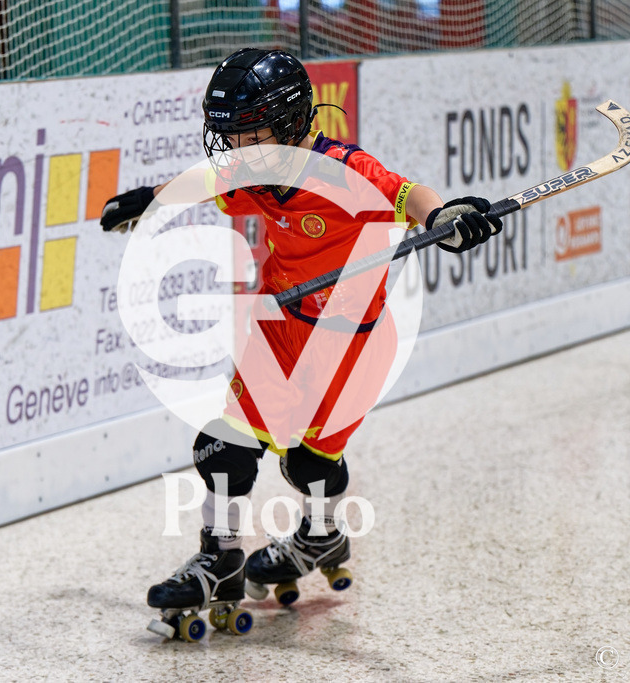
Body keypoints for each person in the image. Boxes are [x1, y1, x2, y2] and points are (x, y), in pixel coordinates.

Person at [101, 47, 500, 638]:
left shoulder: (343, 170)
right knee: (222, 445)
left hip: (351, 345)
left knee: (308, 460)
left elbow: (407, 194)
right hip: (282, 331)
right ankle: (221, 557)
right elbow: (210, 180)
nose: (236, 149)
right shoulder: (254, 171)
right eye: (229, 136)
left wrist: (447, 217)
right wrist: (151, 197)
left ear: (289, 125)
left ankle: (320, 535)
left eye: (248, 134)